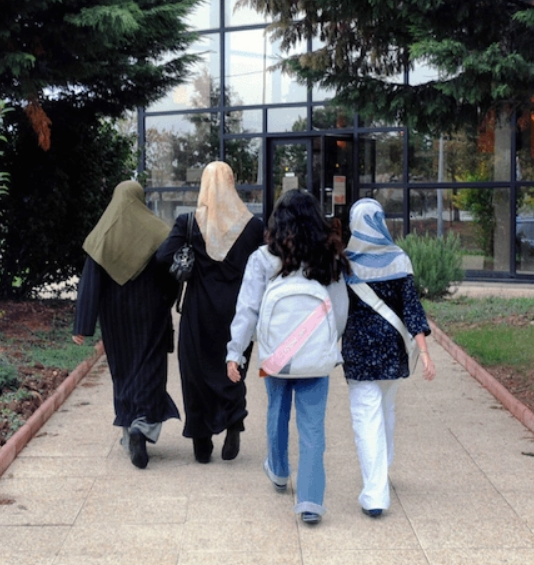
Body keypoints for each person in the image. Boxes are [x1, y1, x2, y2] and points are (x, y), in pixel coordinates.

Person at [226, 189, 350, 525]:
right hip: (315, 355)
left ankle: (279, 470)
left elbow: (248, 309)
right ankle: (310, 501)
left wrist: (235, 352)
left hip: (276, 355)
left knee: (277, 412)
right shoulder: (327, 255)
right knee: (312, 426)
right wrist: (331, 343)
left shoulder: (263, 259)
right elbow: (339, 309)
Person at [156, 161, 264, 464]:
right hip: (238, 311)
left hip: (198, 311)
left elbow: (163, 256)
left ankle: (201, 443)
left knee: (195, 373)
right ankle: (233, 424)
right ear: (232, 184)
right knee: (233, 367)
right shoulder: (253, 226)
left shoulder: (188, 222)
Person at [71, 180, 181, 470]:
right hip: (150, 313)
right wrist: (167, 301)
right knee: (150, 367)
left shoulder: (103, 234)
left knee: (122, 370)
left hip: (115, 318)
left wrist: (82, 326)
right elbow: (171, 273)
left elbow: (90, 282)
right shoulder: (157, 231)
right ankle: (142, 426)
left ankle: (130, 425)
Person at [340, 197, 436, 517]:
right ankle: (382, 467)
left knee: (366, 417)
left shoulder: (344, 263)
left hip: (358, 352)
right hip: (393, 349)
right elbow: (412, 309)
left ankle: (375, 494)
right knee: (387, 411)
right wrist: (424, 353)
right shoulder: (399, 259)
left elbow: (336, 307)